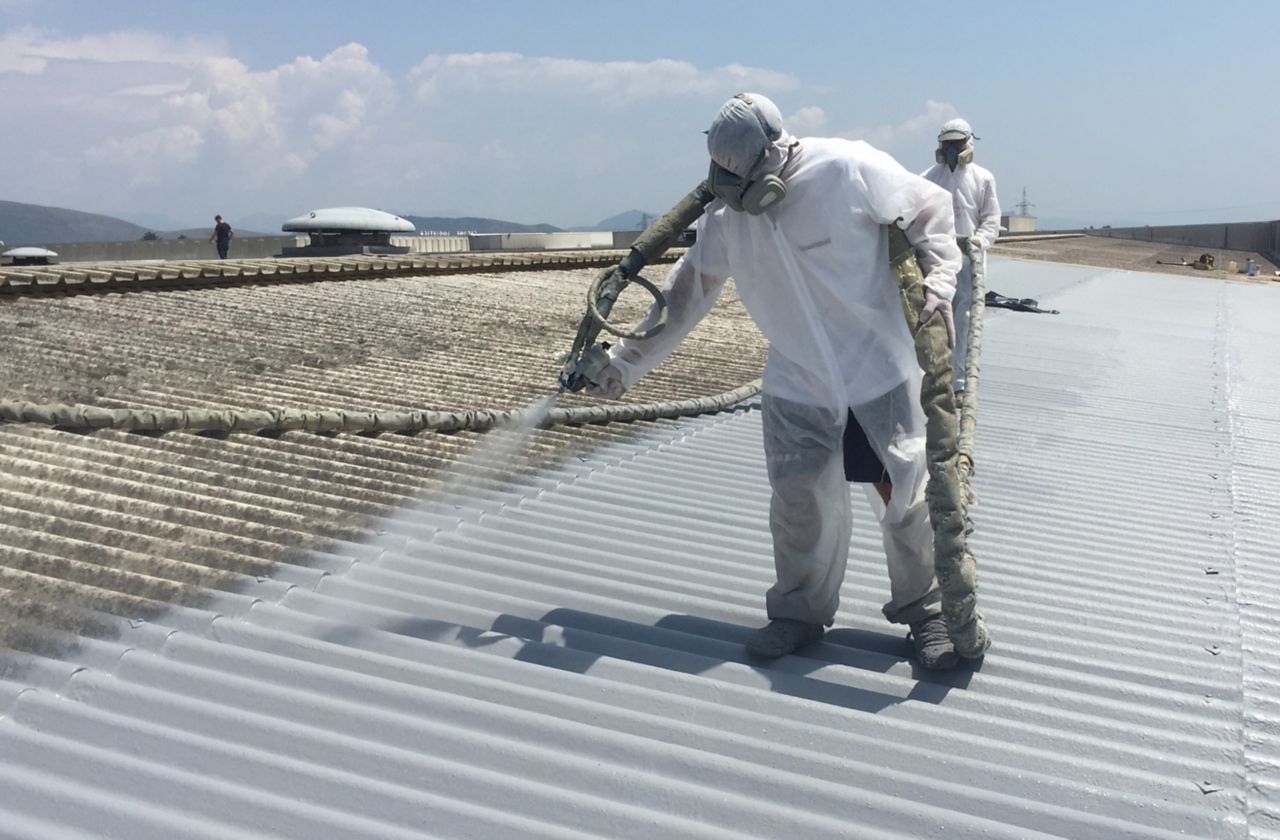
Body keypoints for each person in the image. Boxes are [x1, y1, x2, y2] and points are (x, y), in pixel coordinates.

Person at [585, 93, 965, 669]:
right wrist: (625, 363)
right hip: (797, 377)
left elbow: (932, 210)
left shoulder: (846, 169)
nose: (742, 193)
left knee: (904, 493)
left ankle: (926, 611)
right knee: (796, 500)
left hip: (875, 367)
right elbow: (686, 295)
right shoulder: (727, 216)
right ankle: (797, 613)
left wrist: (939, 283)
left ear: (776, 152)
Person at [921, 118, 1000, 393]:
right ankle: (934, 376)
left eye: (958, 143)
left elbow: (991, 219)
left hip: (969, 261)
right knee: (935, 317)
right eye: (948, 144)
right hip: (937, 259)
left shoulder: (983, 178)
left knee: (965, 319)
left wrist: (979, 241)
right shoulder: (927, 178)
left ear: (969, 144)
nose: (953, 149)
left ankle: (959, 382)